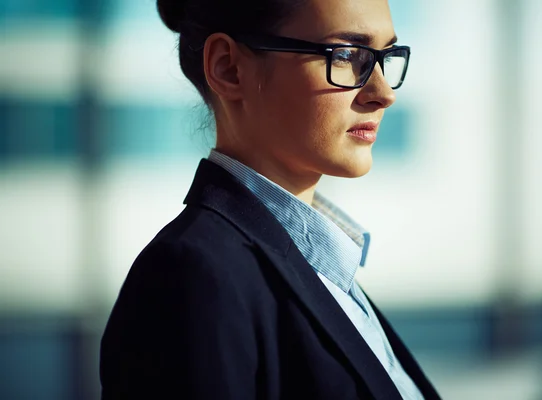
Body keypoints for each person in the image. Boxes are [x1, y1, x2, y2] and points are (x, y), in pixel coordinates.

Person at [100, 0, 440, 399]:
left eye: (386, 57)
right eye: (347, 55)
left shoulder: (323, 269)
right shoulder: (195, 277)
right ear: (229, 67)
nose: (383, 93)